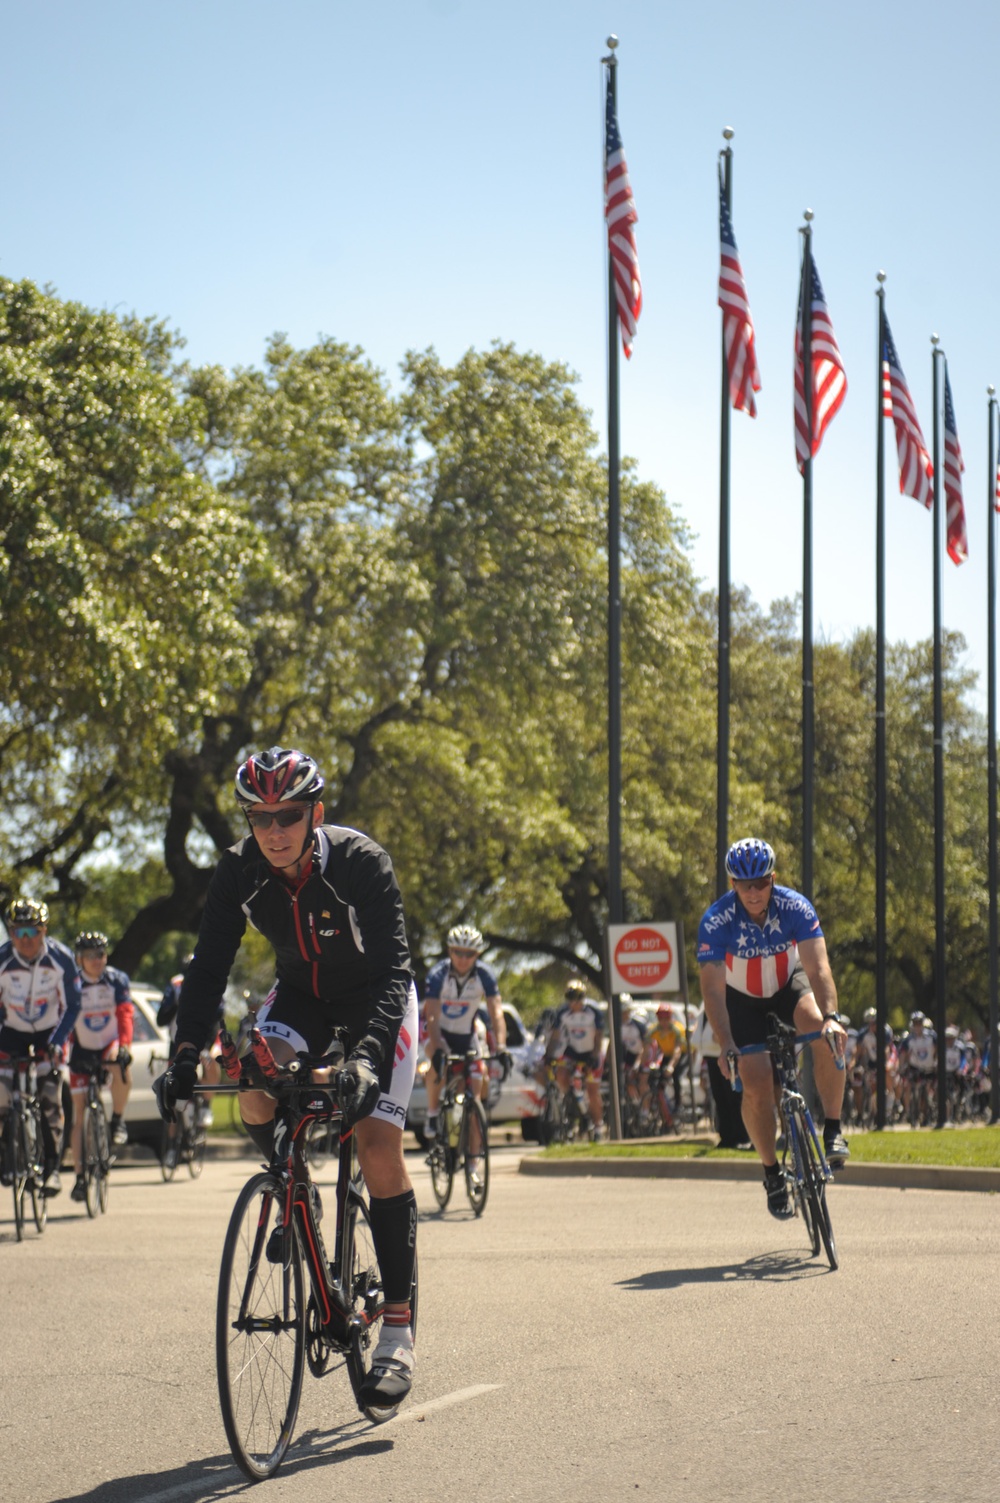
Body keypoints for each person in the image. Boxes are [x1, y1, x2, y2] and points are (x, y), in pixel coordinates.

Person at [154, 747, 419, 1407]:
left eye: (289, 815)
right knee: (251, 1090)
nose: (274, 829)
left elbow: (394, 972)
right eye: (261, 815)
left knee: (378, 1141)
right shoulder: (240, 871)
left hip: (375, 1003)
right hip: (301, 996)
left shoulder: (361, 863)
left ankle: (397, 1332)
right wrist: (184, 1052)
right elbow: (210, 964)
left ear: (315, 813)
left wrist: (365, 1058)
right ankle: (295, 1186)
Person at [697, 838, 848, 1221]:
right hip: (741, 1000)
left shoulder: (795, 906)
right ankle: (771, 1173)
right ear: (732, 884)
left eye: (760, 883)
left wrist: (831, 1015)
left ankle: (833, 1128)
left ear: (772, 879)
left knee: (826, 1036)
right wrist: (726, 1042)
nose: (752, 892)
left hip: (787, 987)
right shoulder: (717, 921)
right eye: (743, 884)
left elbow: (818, 968)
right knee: (757, 1079)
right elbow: (713, 992)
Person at [0, 897, 81, 1196]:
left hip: (50, 1032)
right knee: (3, 1097)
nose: (24, 940)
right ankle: (8, 1155)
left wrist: (58, 1043)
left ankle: (52, 1169)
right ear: (10, 933)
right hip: (11, 1031)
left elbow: (73, 1006)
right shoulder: (3, 960)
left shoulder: (62, 959)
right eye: (17, 932)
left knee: (50, 1101)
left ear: (44, 931)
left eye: (31, 932)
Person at [422, 925, 507, 1174]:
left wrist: (501, 1046)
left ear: (477, 955)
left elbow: (496, 1012)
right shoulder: (438, 974)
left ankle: (473, 1160)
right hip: (441, 1034)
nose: (463, 958)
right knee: (437, 1064)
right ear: (450, 951)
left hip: (468, 1036)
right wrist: (439, 1048)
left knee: (476, 1089)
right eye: (458, 952)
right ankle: (432, 1111)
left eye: (469, 953)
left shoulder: (485, 975)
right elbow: (432, 1017)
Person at [68, 932, 134, 1202]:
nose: (97, 960)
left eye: (101, 954)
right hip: (82, 1047)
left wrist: (125, 1046)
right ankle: (80, 1177)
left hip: (109, 1042)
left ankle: (117, 1119)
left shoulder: (117, 979)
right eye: (91, 955)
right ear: (79, 959)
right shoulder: (71, 982)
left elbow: (125, 1014)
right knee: (79, 1114)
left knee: (121, 1065)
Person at [157, 955, 220, 1130]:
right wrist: (178, 1004)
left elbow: (217, 1019)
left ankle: (206, 1106)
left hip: (207, 1040)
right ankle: (171, 1146)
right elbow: (161, 1019)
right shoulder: (175, 985)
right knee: (172, 1087)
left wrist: (206, 1048)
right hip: (177, 1041)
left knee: (212, 1061)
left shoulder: (211, 984)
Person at [547, 979, 605, 1137]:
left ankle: (598, 1126)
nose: (574, 1002)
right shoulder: (563, 1012)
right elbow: (556, 1036)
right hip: (572, 1051)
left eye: (578, 998)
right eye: (570, 998)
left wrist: (594, 1055)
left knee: (592, 1091)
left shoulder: (593, 1011)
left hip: (591, 1051)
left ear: (583, 997)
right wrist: (548, 1055)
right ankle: (571, 1107)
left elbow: (598, 1036)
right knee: (561, 1074)